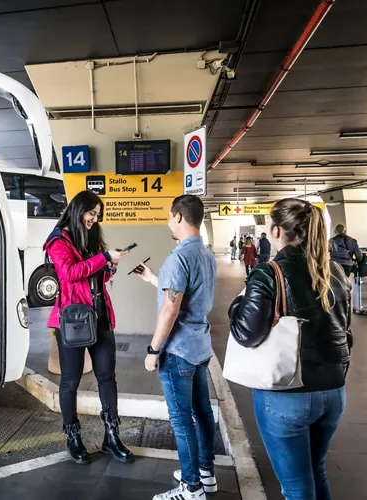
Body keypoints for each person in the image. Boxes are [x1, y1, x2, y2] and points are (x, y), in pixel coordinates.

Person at [228, 199, 353, 500]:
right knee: (316, 469)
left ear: (275, 230)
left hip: (287, 395)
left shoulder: (269, 272)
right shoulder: (334, 270)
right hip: (334, 391)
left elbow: (246, 333)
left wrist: (236, 306)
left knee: (296, 487)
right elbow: (346, 331)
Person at [132, 195, 218, 500]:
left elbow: (170, 311)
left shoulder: (178, 258)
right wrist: (155, 279)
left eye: (170, 217)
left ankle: (191, 487)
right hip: (200, 347)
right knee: (203, 412)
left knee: (182, 420)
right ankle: (205, 473)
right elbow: (185, 297)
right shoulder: (206, 255)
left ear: (179, 217)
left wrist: (153, 350)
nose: (168, 222)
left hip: (179, 350)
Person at [43, 190, 134, 465]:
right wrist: (104, 257)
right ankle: (73, 438)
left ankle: (111, 436)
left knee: (107, 377)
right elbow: (70, 274)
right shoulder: (57, 240)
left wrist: (110, 267)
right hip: (72, 320)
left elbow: (97, 277)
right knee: (70, 381)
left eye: (97, 215)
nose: (95, 219)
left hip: (100, 316)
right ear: (78, 209)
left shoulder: (91, 237)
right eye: (91, 213)